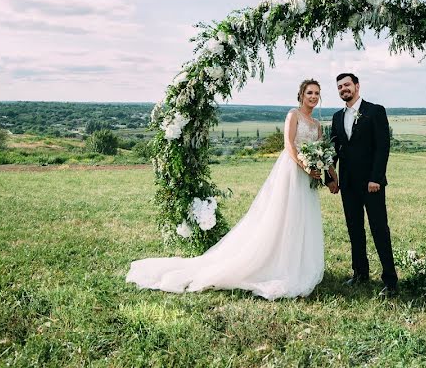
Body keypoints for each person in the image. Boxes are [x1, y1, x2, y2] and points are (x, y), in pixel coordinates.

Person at [126, 79, 326, 300]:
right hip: (291, 170)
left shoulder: (317, 125)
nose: (313, 96)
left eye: (317, 93)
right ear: (301, 94)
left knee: (301, 218)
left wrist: (328, 175)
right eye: (310, 92)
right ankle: (273, 263)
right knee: (282, 217)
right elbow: (289, 144)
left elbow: (321, 152)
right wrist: (304, 165)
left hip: (309, 177)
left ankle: (295, 263)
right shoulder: (293, 115)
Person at [327, 73, 398, 296]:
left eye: (347, 85)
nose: (343, 89)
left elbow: (382, 147)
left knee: (379, 229)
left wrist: (376, 178)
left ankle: (390, 280)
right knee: (354, 229)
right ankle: (360, 273)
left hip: (371, 184)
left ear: (357, 86)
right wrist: (330, 179)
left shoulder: (375, 111)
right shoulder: (337, 117)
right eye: (339, 87)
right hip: (347, 184)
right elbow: (333, 150)